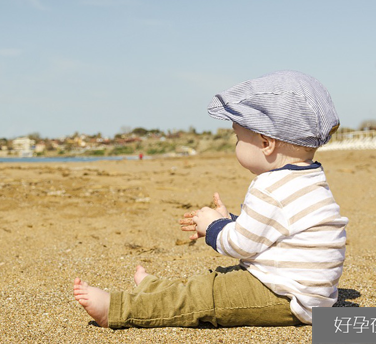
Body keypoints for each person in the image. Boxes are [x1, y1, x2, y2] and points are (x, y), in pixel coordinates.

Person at [73, 70, 348, 328]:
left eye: (239, 138)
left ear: (266, 143)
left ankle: (119, 309)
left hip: (287, 297)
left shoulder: (269, 186)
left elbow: (241, 246)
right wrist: (230, 221)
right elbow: (273, 232)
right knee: (217, 279)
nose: (236, 144)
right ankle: (155, 289)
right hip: (310, 295)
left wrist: (213, 228)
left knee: (207, 295)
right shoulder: (310, 179)